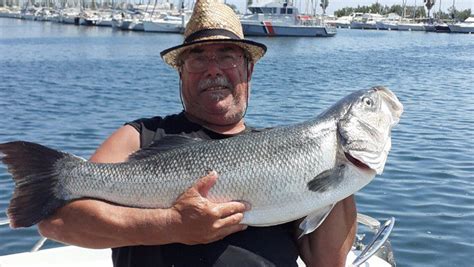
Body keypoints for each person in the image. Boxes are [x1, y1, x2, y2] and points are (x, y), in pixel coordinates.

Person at [38, 0, 357, 266]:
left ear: (249, 69)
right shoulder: (140, 137)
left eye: (227, 56)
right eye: (199, 58)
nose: (213, 68)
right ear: (180, 71)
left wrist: (341, 165)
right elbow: (58, 222)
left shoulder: (291, 150)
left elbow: (328, 261)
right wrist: (170, 226)